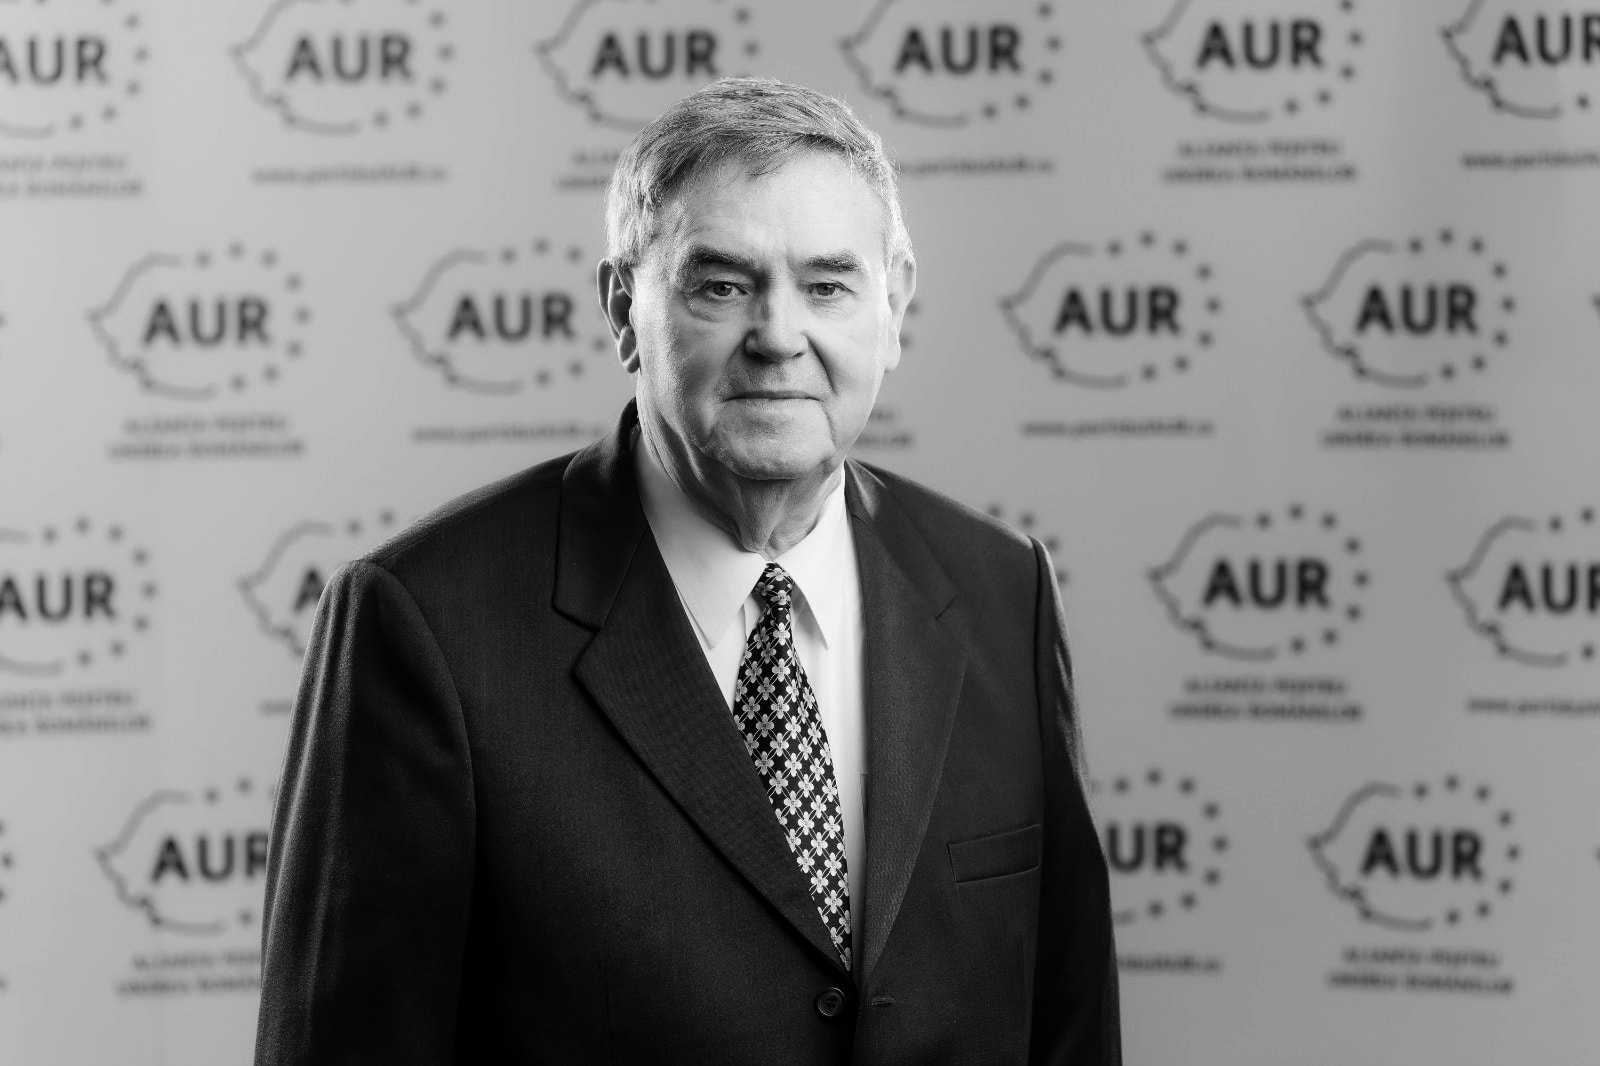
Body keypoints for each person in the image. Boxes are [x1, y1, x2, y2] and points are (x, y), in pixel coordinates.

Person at [255, 77, 1119, 1065]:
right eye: (722, 285)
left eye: (827, 286)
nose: (779, 337)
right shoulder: (429, 625)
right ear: (624, 310)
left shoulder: (1003, 590)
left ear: (894, 306)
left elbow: (1071, 1027)